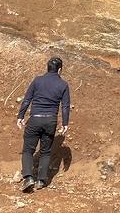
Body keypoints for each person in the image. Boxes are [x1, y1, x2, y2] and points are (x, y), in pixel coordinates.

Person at [16, 56, 71, 192]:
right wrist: (65, 123)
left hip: (35, 119)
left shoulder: (37, 80)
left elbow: (27, 100)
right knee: (46, 151)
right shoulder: (63, 85)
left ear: (47, 68)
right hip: (50, 120)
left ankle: (28, 177)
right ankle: (41, 181)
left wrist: (21, 116)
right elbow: (65, 106)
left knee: (28, 150)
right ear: (59, 70)